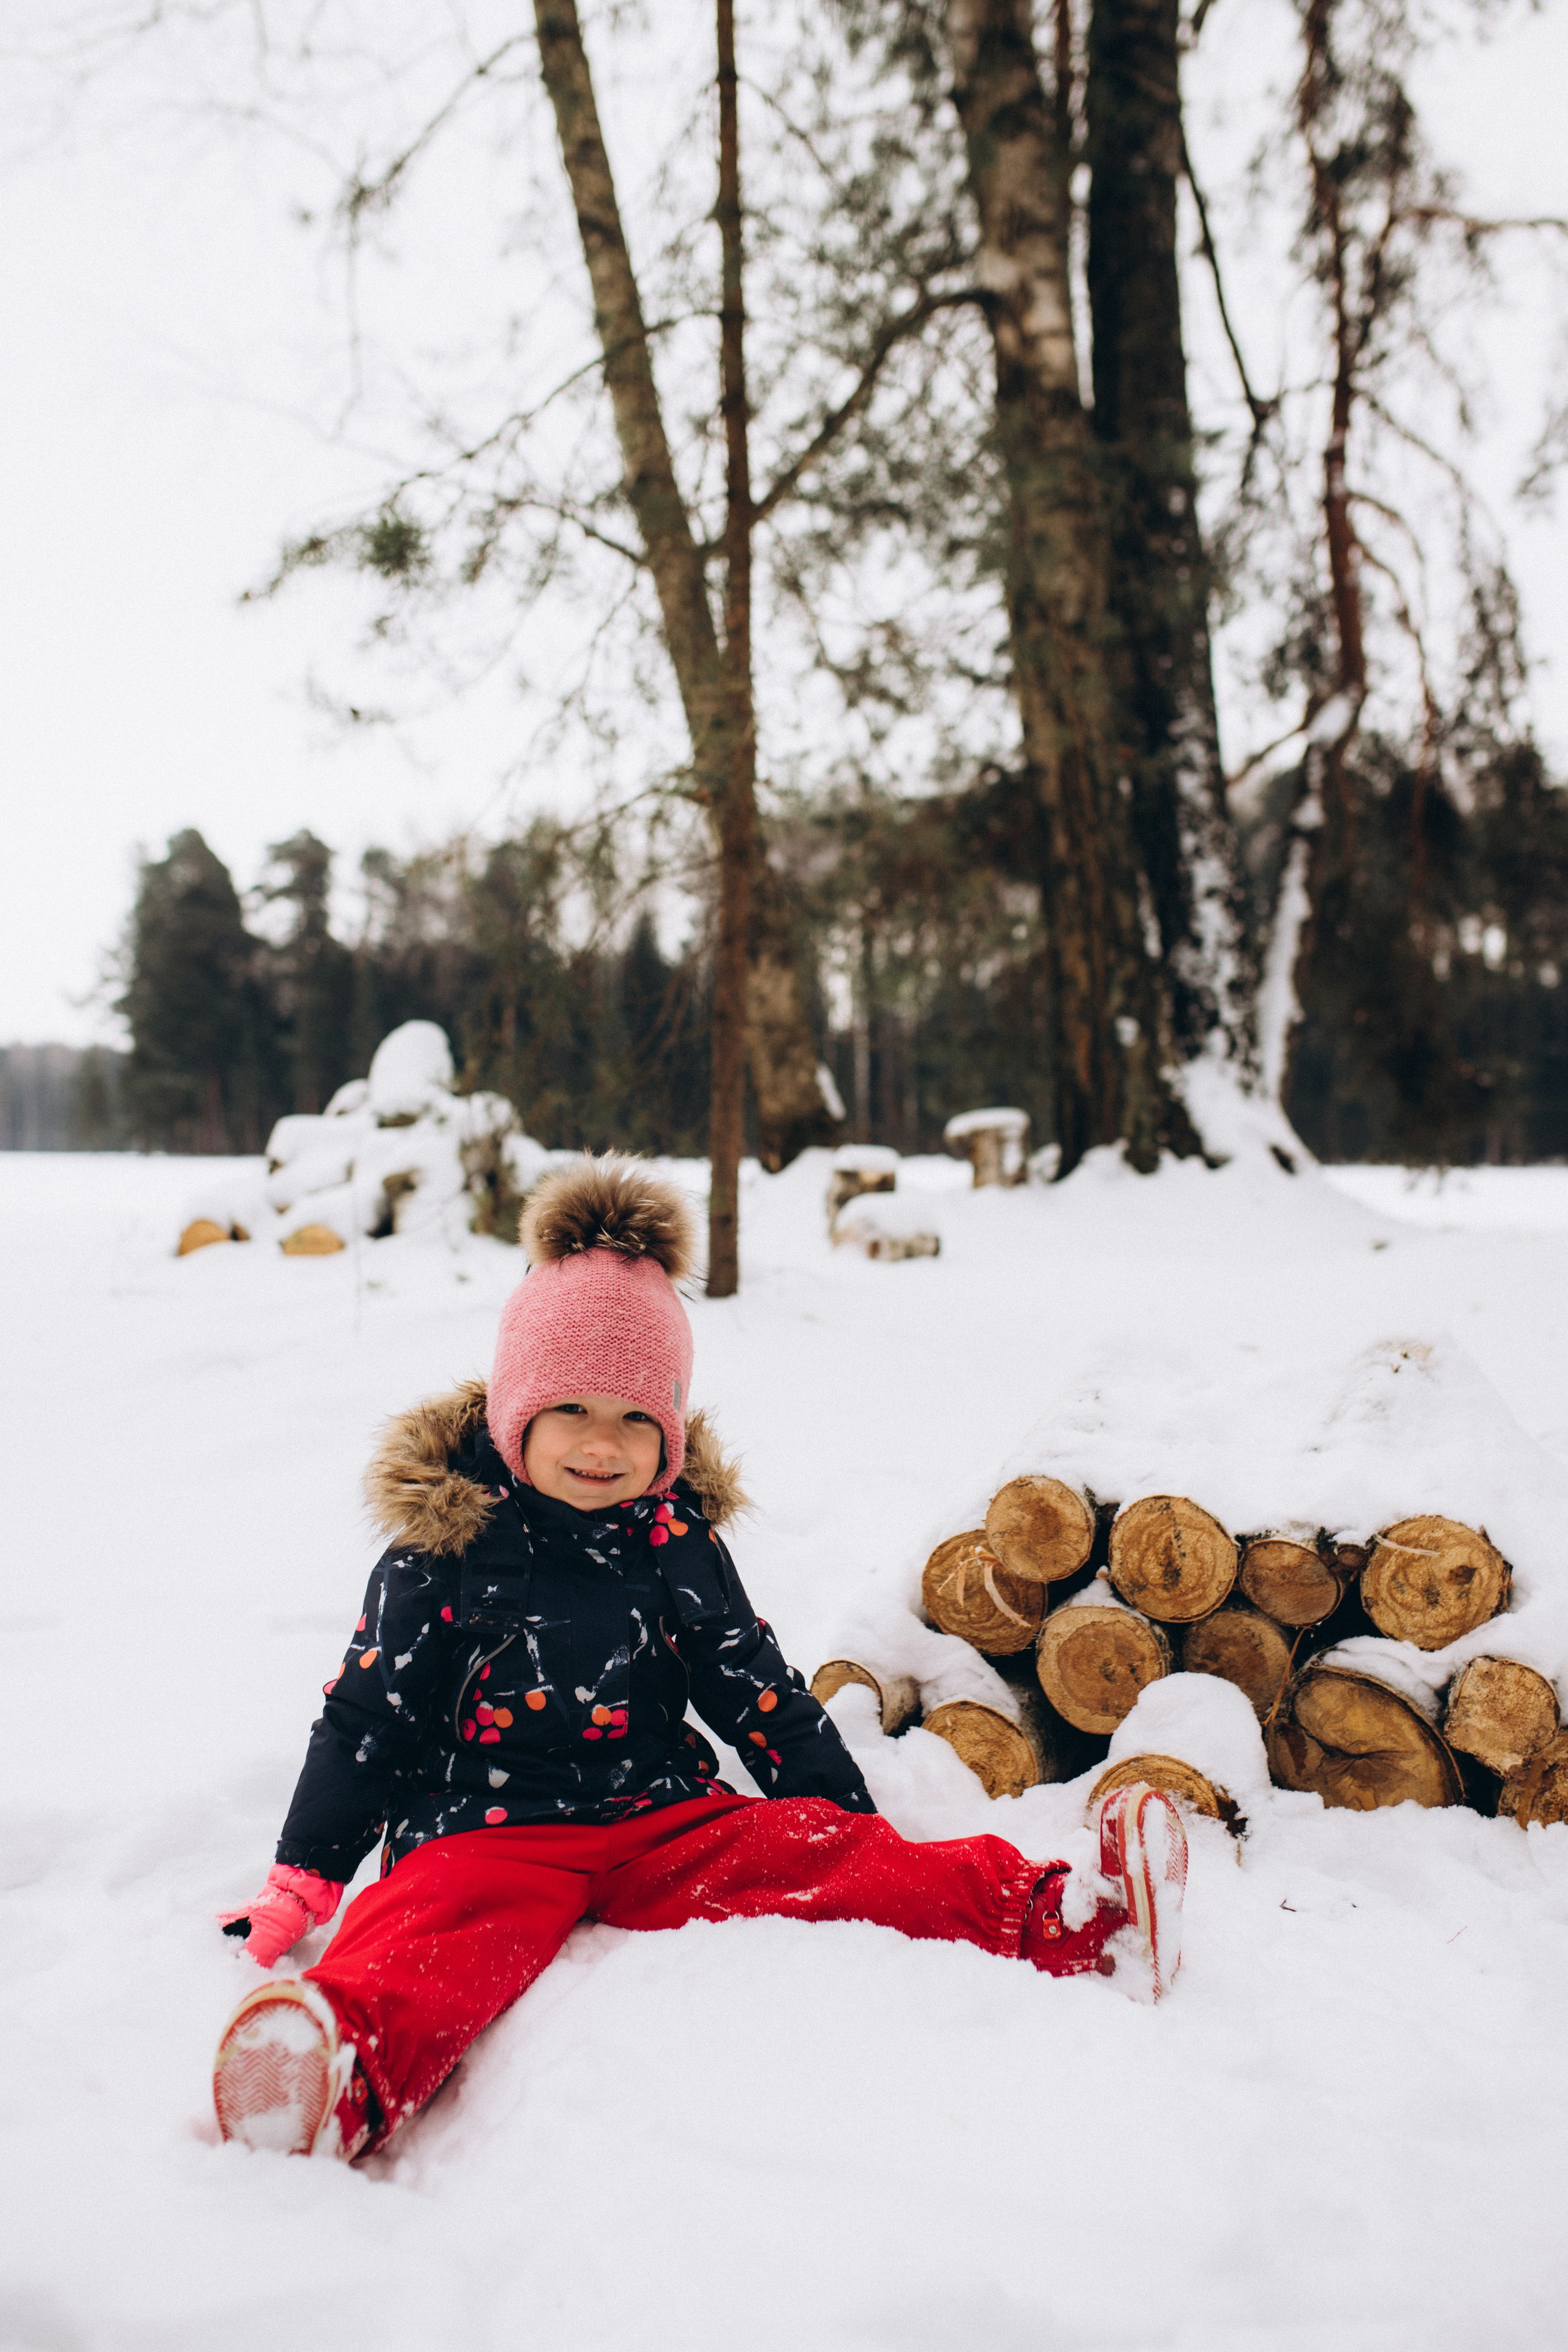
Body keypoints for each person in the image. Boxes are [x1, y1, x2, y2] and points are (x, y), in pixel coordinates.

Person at [211, 1159, 1188, 2163]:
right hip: (483, 1836)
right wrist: (302, 1882)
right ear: (517, 1414)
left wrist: (841, 1824)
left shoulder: (675, 1546)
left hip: (656, 1819)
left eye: (638, 1418)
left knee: (815, 1855)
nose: (604, 1444)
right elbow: (366, 1723)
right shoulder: (442, 1555)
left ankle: (1071, 1916)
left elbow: (752, 1685)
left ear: (671, 1430)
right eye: (574, 1411)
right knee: (432, 1935)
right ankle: (333, 2072)